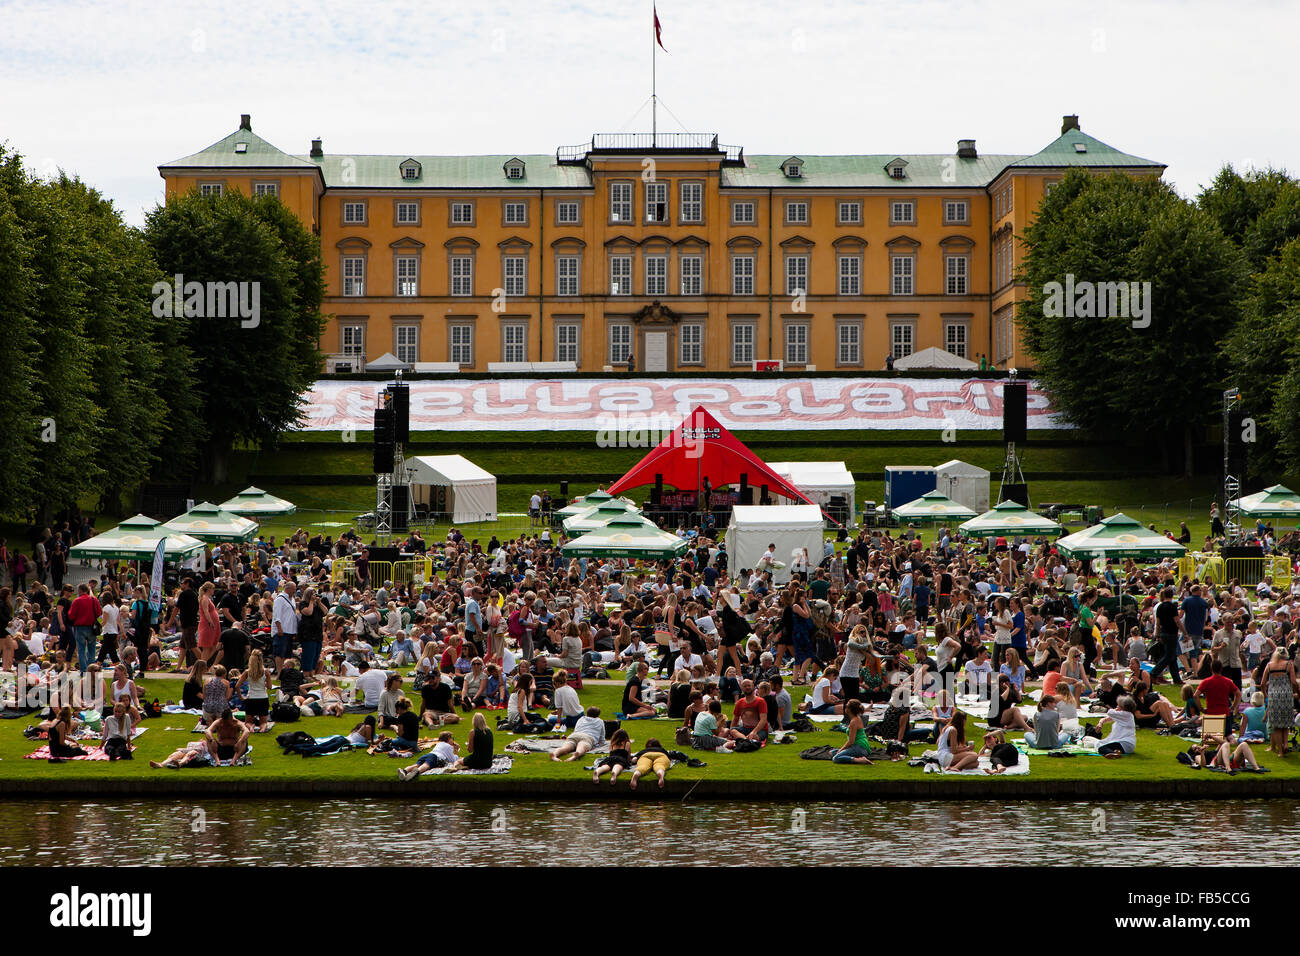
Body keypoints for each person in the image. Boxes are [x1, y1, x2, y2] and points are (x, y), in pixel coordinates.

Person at [1262, 648, 1298, 757]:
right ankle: (1286, 744)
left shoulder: (1269, 665)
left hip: (1273, 695)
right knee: (1286, 722)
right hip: (1286, 694)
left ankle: (1281, 752)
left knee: (1276, 725)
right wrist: (1297, 691)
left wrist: (1265, 694)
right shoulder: (1288, 664)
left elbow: (1263, 682)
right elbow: (1293, 681)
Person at [831, 698, 875, 765]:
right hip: (859, 747)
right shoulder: (856, 718)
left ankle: (859, 760)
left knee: (836, 758)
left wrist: (841, 750)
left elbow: (851, 741)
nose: (845, 707)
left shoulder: (854, 722)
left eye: (847, 706)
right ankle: (854, 756)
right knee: (831, 752)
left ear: (850, 709)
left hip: (859, 747)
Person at [241, 650, 273, 732]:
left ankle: (251, 728)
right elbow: (270, 687)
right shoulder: (265, 672)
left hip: (251, 697)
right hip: (263, 698)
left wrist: (241, 697)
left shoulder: (247, 672)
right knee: (263, 722)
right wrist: (264, 684)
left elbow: (237, 686)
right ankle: (262, 729)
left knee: (248, 721)